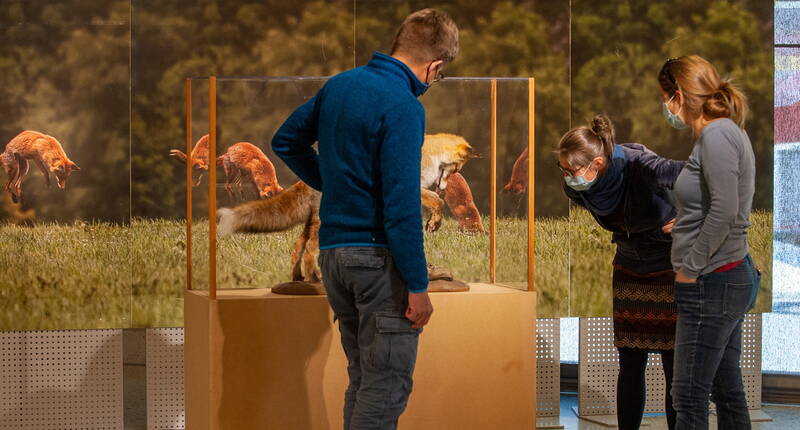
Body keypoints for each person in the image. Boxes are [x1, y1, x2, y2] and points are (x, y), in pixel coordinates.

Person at [271, 9, 458, 430]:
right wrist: (417, 284)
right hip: (377, 262)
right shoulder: (403, 106)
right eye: (438, 76)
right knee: (387, 388)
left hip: (336, 258)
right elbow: (401, 204)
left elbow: (285, 140)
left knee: (364, 380)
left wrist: (334, 186)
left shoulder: (339, 86)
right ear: (435, 66)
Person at [556, 114, 685, 430]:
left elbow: (698, 177)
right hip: (629, 265)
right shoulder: (577, 188)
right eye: (563, 170)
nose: (567, 177)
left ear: (597, 163)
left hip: (669, 265)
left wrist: (690, 220)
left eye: (571, 170)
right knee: (630, 360)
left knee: (673, 365)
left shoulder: (641, 165)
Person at [658, 55, 760, 430]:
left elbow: (725, 210)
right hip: (725, 275)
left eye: (665, 97)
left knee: (687, 395)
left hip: (712, 280)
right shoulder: (722, 133)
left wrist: (689, 269)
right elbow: (713, 205)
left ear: (679, 95)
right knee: (726, 388)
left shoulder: (717, 135)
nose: (666, 108)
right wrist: (684, 226)